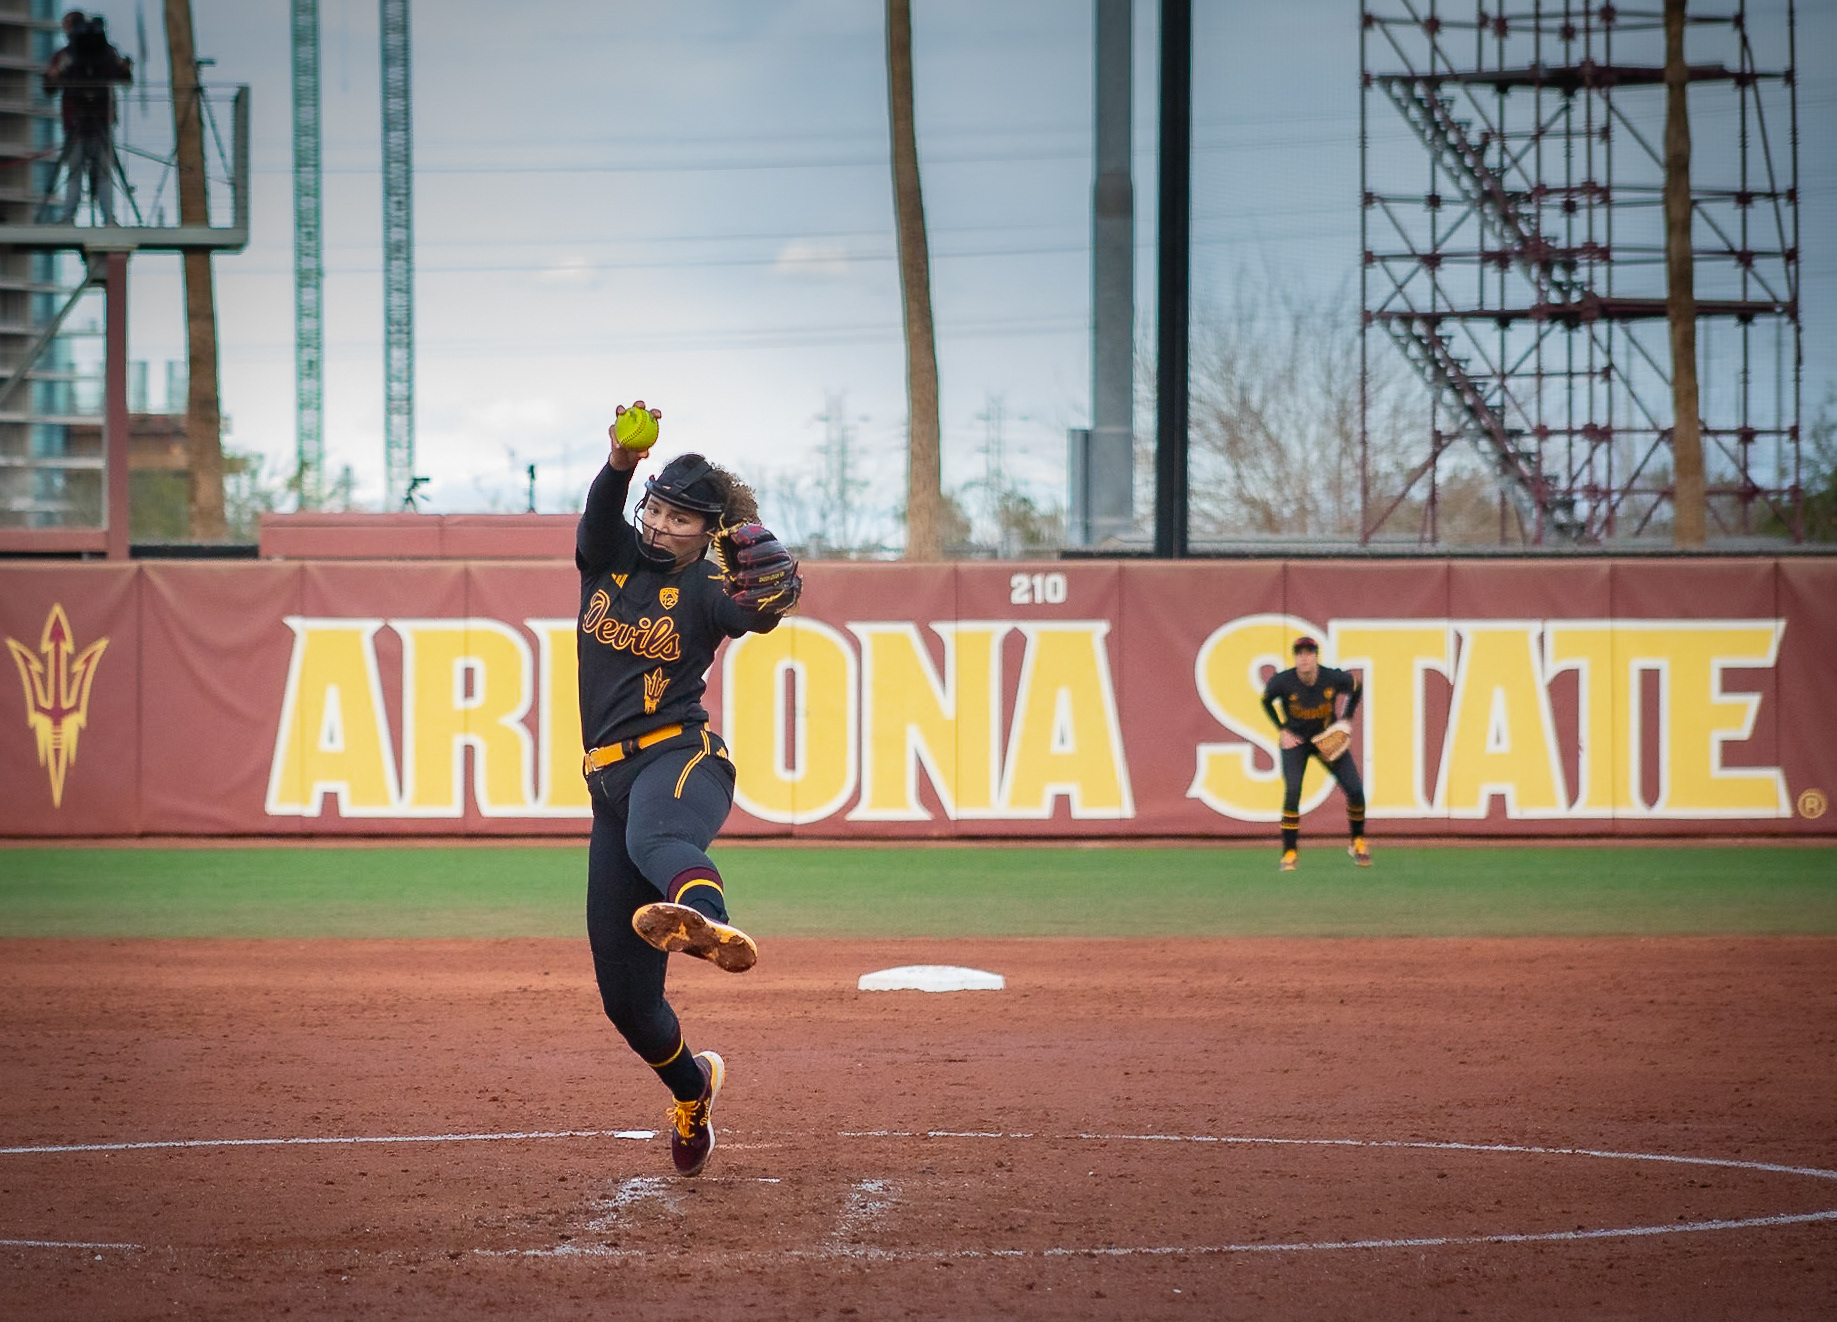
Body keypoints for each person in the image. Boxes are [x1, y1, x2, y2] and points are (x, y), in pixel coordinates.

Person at [575, 402, 801, 1178]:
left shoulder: (706, 585)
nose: (663, 525)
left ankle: (706, 921)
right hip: (607, 778)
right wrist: (619, 464)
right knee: (626, 1005)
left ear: (709, 532)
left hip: (680, 758)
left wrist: (771, 594)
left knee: (657, 841)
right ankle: (694, 1090)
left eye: (682, 518)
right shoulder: (606, 557)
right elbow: (601, 517)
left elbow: (756, 613)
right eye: (659, 509)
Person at [1260, 635, 1369, 871]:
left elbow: (1356, 687)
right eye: (1299, 653)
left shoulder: (1331, 677)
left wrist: (1347, 719)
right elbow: (1266, 700)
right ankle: (1290, 852)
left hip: (1325, 740)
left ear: (1316, 656)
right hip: (1297, 742)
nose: (1304, 658)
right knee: (1292, 792)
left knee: (1355, 789)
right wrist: (1282, 729)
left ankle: (1358, 841)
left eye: (1309, 653)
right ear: (1295, 658)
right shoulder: (1283, 681)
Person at [39, 11, 134, 225]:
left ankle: (72, 217)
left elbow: (49, 86)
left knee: (80, 171)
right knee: (92, 172)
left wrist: (54, 75)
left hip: (86, 119)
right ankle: (105, 218)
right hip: (88, 119)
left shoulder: (69, 55)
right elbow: (123, 75)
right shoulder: (105, 53)